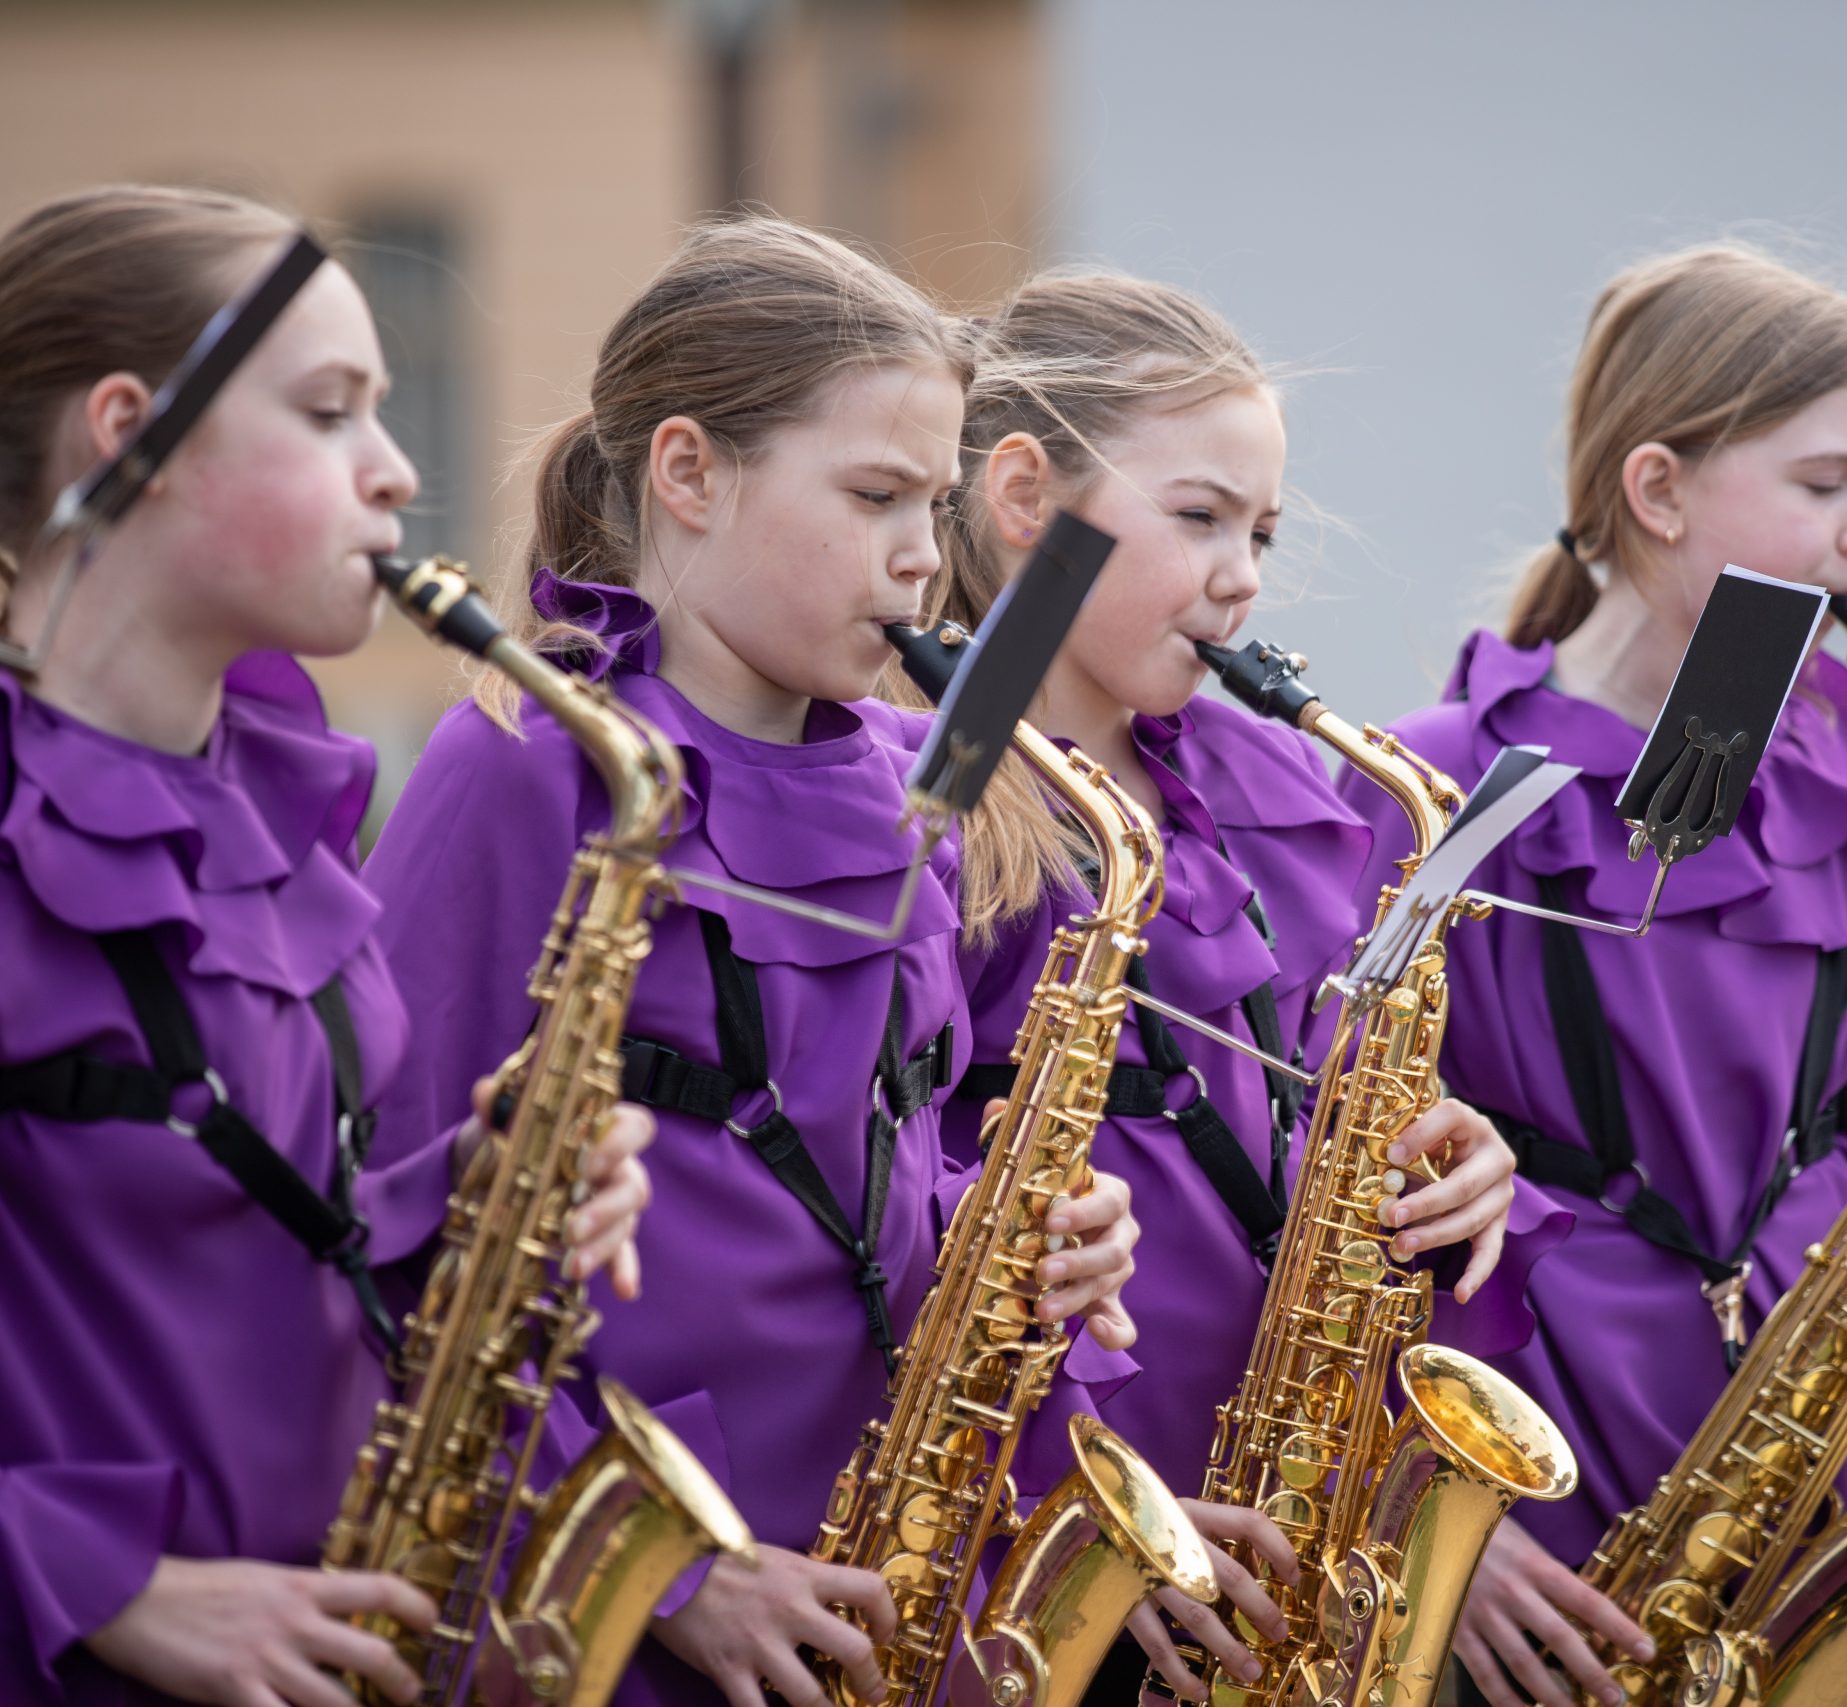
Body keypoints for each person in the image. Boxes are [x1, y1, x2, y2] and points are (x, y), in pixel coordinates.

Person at [361, 217, 1142, 1707]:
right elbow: (401, 1238)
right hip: (613, 1599)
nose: (925, 557)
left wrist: (1024, 1234)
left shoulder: (920, 779)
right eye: (873, 496)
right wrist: (658, 1568)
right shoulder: (529, 763)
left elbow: (890, 1149)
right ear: (690, 472)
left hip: (872, 1574)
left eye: (936, 504)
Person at [1344, 243, 1847, 1707]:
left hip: (1826, 1487)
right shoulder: (1428, 783)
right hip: (1533, 1493)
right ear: (1659, 490)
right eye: (1825, 483)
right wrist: (1419, 1509)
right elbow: (1330, 1201)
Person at [0, 184, 651, 1707]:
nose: (397, 470)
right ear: (129, 436)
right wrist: (96, 1581)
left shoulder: (274, 810)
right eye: (327, 410)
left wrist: (476, 1196)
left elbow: (256, 1219)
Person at [917, 269, 1540, 1702]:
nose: (1245, 574)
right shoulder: (933, 796)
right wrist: (1076, 1511)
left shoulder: (1266, 776)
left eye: (1259, 532)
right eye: (1199, 518)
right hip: (1053, 1529)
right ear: (1027, 499)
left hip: (1280, 1511)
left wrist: (1455, 1165)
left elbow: (1330, 1097)